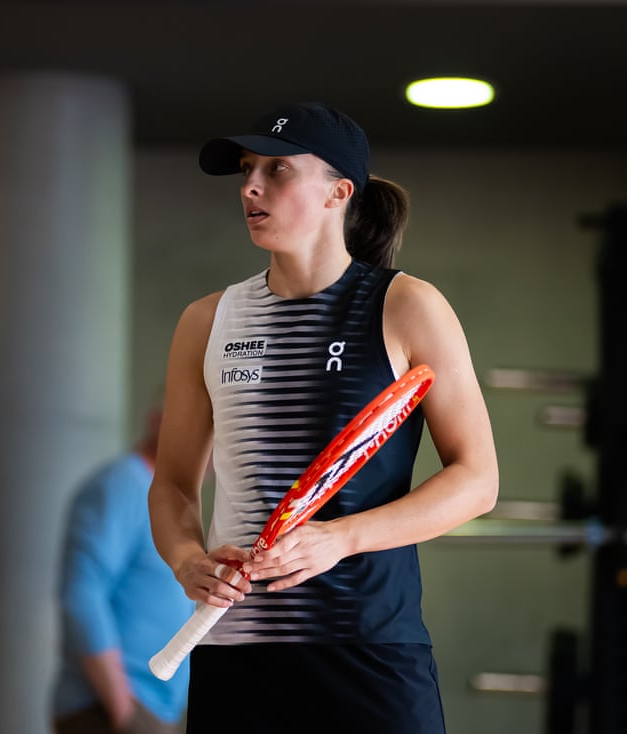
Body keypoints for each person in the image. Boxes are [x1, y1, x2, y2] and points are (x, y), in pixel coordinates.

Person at [147, 102, 498, 733]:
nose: (251, 186)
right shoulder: (207, 321)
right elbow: (173, 482)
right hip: (237, 654)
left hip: (368, 650)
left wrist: (341, 537)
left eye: (277, 169)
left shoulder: (407, 305)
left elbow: (477, 480)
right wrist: (184, 557)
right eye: (247, 170)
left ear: (340, 192)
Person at [53, 397, 195, 734]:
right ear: (158, 421)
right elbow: (81, 595)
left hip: (150, 708)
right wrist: (123, 712)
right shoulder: (122, 485)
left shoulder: (173, 504)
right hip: (111, 710)